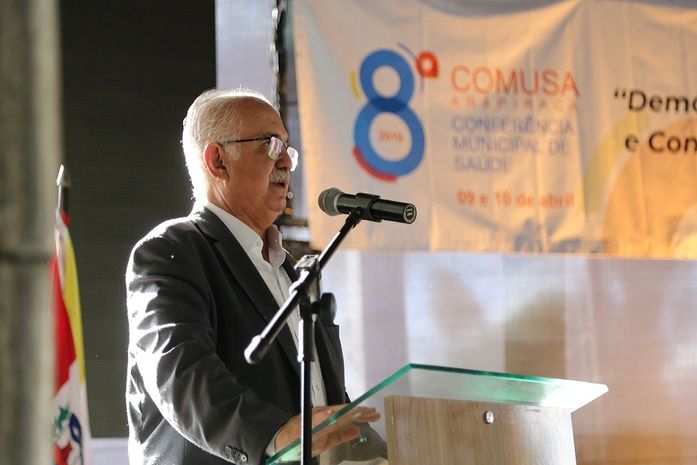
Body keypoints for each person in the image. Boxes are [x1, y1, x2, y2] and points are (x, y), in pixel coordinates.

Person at [125, 88, 379, 465]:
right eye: (271, 145)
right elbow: (179, 371)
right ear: (218, 161)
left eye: (287, 149)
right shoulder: (170, 252)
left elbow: (323, 398)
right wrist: (272, 434)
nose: (287, 162)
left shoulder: (292, 272)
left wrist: (382, 454)